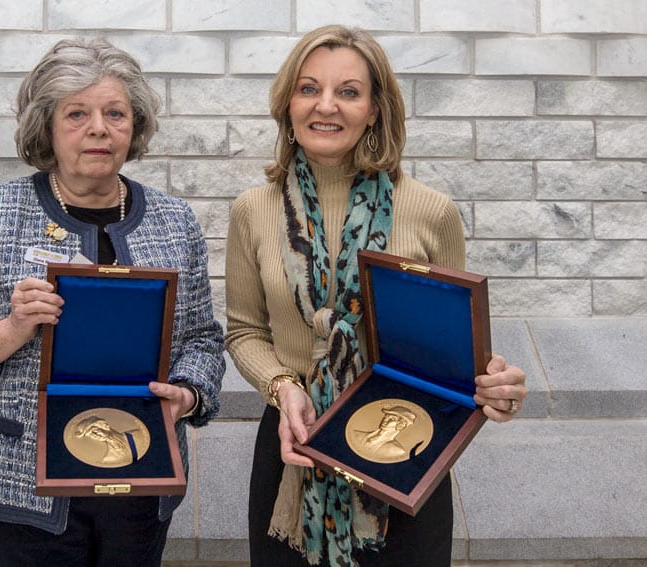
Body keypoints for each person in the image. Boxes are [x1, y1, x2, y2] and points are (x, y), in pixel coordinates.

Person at [0, 37, 225, 567]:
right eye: (77, 113)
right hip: (12, 490)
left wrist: (190, 395)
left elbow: (201, 340)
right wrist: (7, 332)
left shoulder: (175, 221)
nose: (98, 128)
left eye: (115, 113)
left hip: (141, 475)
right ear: (47, 129)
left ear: (135, 126)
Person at [224, 25, 527, 566]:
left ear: (374, 109)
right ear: (287, 103)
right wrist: (283, 387)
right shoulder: (253, 209)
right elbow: (246, 331)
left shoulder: (431, 212)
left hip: (407, 454)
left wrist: (490, 382)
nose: (326, 106)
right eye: (309, 88)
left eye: (348, 92)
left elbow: (447, 352)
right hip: (293, 441)